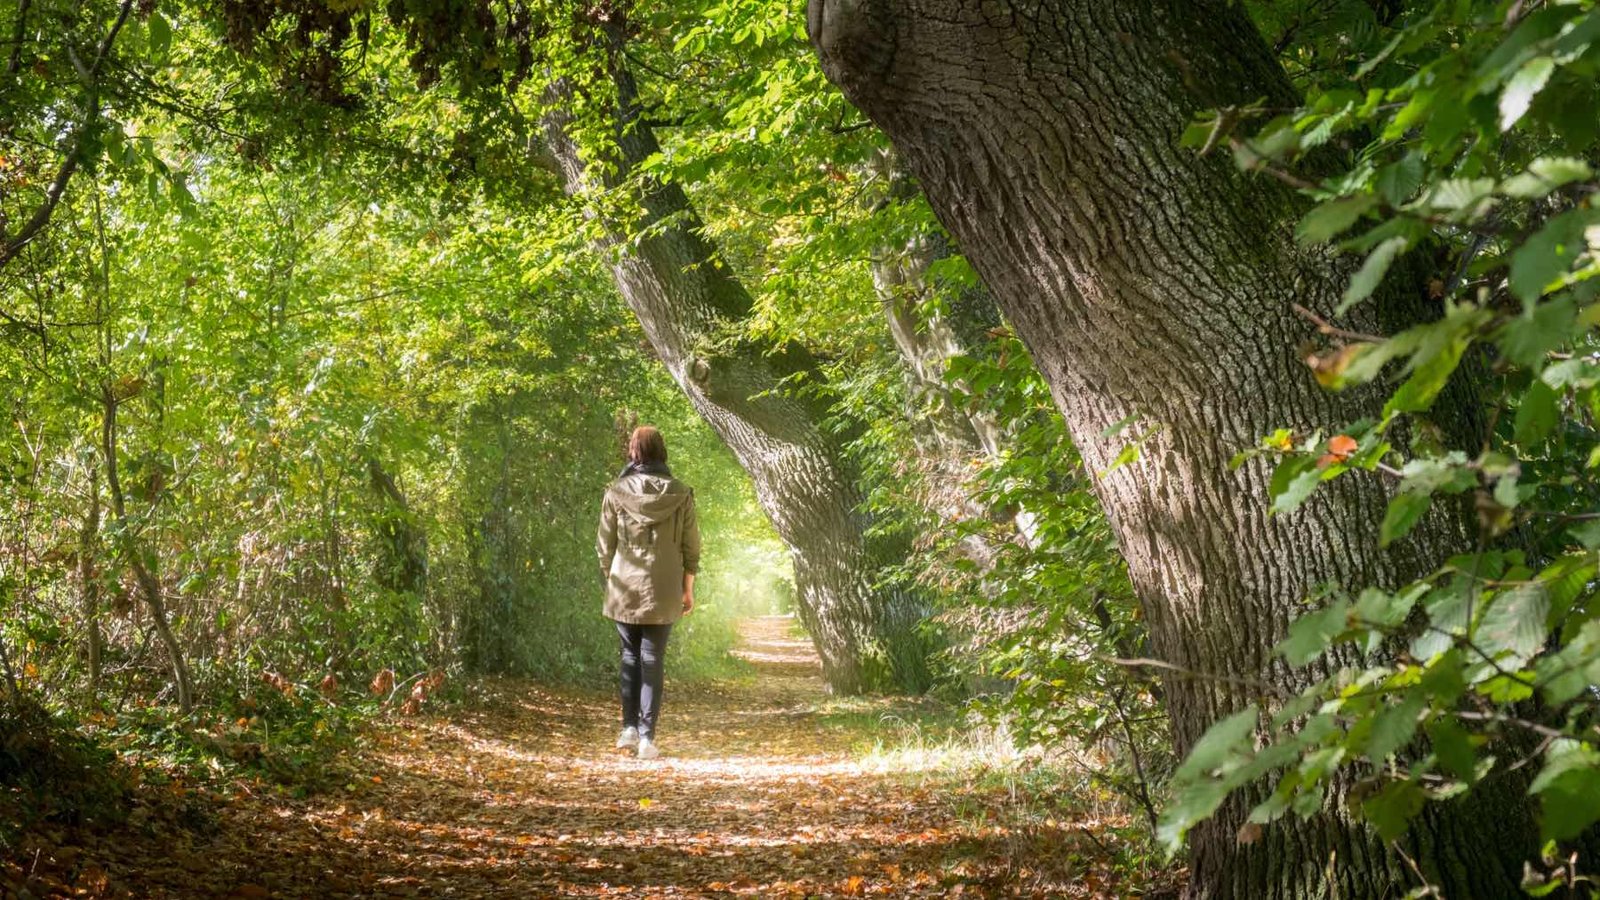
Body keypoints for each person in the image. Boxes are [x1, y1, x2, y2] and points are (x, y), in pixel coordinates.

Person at [596, 425, 701, 759]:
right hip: (665, 586)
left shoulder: (615, 491)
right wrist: (688, 589)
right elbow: (691, 547)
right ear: (661, 450)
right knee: (653, 658)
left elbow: (604, 546)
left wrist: (612, 577)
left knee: (629, 654)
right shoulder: (681, 493)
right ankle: (646, 738)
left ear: (633, 451)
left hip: (624, 584)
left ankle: (628, 728)